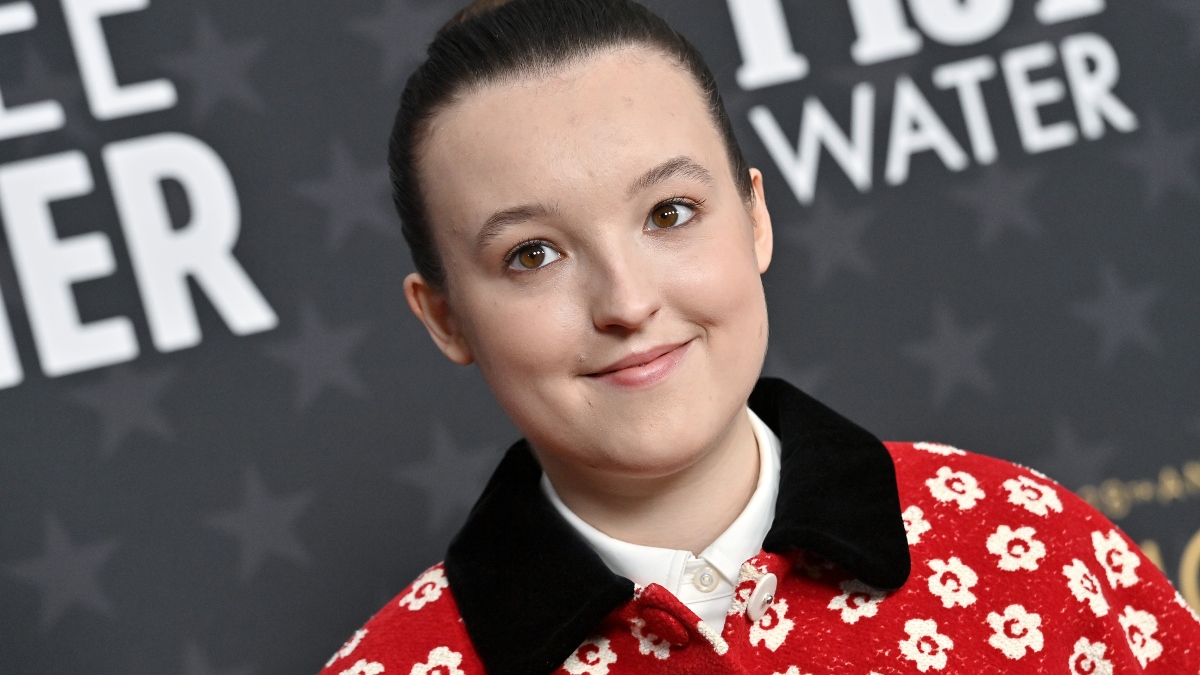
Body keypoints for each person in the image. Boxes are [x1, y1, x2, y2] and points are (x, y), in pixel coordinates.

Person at [318, 0, 1200, 673]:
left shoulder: (1027, 544)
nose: (626, 301)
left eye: (670, 212)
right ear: (444, 317)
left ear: (754, 218)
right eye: (533, 254)